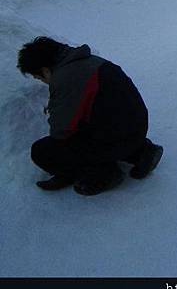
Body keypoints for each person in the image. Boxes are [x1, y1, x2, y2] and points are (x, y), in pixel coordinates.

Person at [17, 37, 163, 196]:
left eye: (39, 78)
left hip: (116, 138)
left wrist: (54, 110)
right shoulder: (91, 62)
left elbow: (61, 131)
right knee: (100, 125)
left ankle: (102, 173)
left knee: (42, 152)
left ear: (45, 70)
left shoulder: (66, 78)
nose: (43, 82)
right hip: (137, 130)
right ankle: (142, 152)